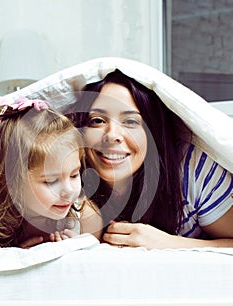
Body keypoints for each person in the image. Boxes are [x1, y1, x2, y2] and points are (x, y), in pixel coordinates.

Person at [69, 69, 233, 249]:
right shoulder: (68, 174)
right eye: (98, 120)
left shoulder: (192, 169)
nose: (112, 135)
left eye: (130, 121)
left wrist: (171, 243)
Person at [0, 96, 102, 250]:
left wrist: (79, 251)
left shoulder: (87, 218)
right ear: (9, 182)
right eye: (51, 181)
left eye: (74, 175)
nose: (69, 190)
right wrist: (18, 257)